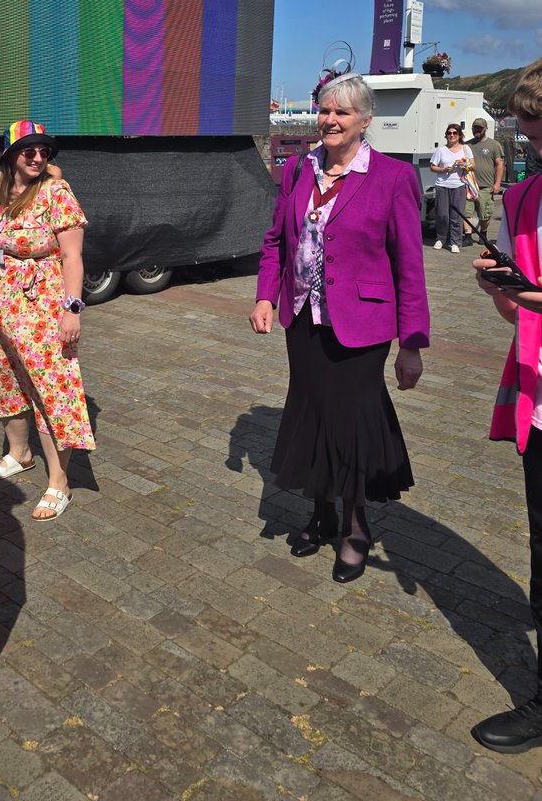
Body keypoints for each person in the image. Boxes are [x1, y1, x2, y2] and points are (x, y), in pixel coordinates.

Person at [249, 73, 429, 584]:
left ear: (365, 121)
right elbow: (274, 243)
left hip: (363, 328)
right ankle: (321, 513)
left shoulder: (393, 178)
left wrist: (412, 344)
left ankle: (355, 527)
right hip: (303, 320)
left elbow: (408, 268)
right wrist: (266, 294)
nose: (329, 120)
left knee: (348, 426)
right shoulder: (295, 171)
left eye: (342, 112)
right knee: (311, 415)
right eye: (325, 110)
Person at [0, 120, 94, 522]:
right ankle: (19, 453)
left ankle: (59, 482)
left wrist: (73, 307)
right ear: (9, 155)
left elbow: (72, 255)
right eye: (28, 150)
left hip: (39, 310)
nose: (37, 157)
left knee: (49, 390)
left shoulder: (55, 192)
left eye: (43, 151)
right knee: (5, 381)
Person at [471, 60, 542, 753]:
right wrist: (501, 287)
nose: (533, 141)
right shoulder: (524, 201)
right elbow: (516, 316)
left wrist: (528, 294)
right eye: (530, 130)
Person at [429, 124, 474, 252]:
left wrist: (464, 164)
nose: (452, 135)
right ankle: (441, 238)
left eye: (455, 133)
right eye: (449, 133)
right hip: (442, 185)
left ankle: (455, 242)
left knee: (456, 215)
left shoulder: (466, 149)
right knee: (442, 215)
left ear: (459, 135)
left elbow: (473, 166)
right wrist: (443, 169)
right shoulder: (441, 150)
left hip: (459, 185)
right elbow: (432, 167)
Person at [465, 117, 504, 243]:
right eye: (475, 127)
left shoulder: (493, 145)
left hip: (486, 186)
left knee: (484, 213)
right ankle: (467, 236)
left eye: (480, 128)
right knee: (467, 212)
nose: (477, 130)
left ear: (485, 129)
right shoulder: (466, 145)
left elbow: (499, 164)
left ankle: (483, 234)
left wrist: (497, 183)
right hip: (469, 185)